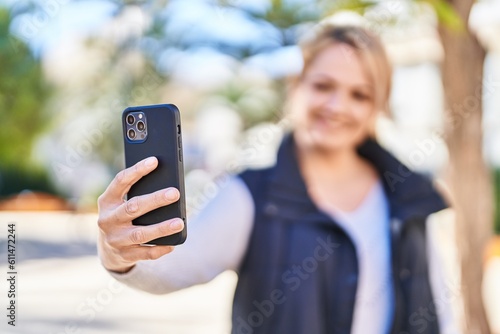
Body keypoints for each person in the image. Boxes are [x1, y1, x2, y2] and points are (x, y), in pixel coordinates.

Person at [97, 23, 459, 334]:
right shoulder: (251, 195)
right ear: (296, 86)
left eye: (359, 94)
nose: (337, 106)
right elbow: (170, 269)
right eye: (323, 86)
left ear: (377, 106)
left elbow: (439, 311)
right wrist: (117, 248)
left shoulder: (408, 195)